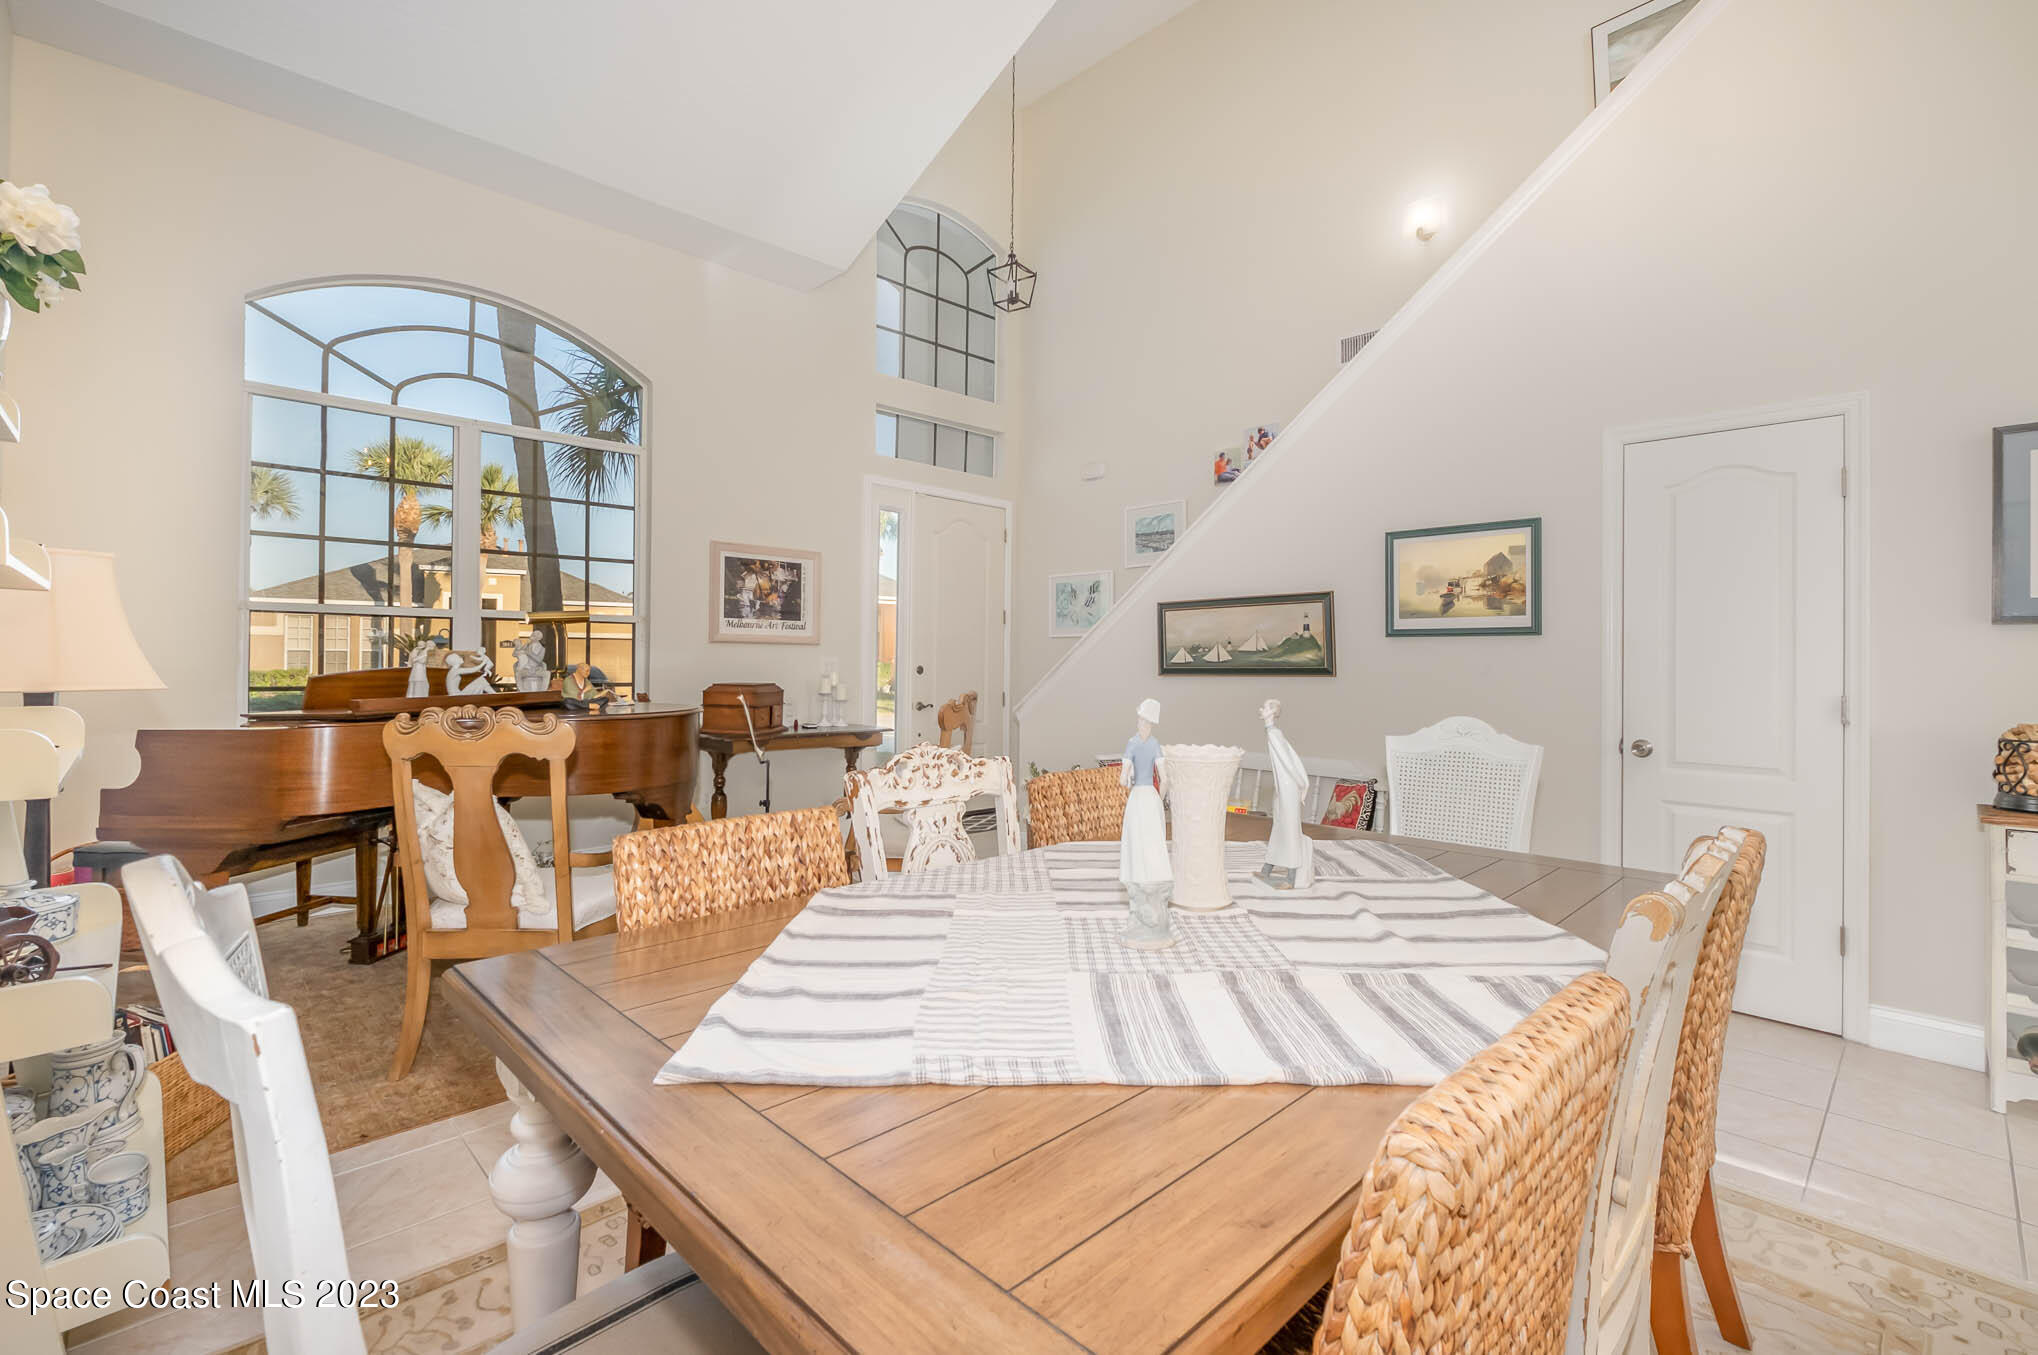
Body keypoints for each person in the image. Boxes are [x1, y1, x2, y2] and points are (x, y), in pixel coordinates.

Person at [1118, 698, 1175, 947]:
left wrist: (1129, 777)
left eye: (1143, 720)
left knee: (1139, 843)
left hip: (1140, 798)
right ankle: (1147, 895)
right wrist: (1158, 800)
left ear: (1148, 722)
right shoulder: (1154, 745)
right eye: (1141, 720)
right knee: (1151, 844)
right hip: (1149, 797)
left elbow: (1122, 779)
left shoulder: (1133, 743)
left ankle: (1143, 893)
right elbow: (1165, 779)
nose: (1141, 723)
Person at [1257, 697, 1315, 890]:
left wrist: (1301, 783)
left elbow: (1288, 762)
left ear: (1272, 712)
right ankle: (1267, 868)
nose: (1261, 709)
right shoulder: (1272, 732)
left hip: (1288, 787)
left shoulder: (1274, 734)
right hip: (1283, 787)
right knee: (1280, 826)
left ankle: (1290, 877)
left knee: (1289, 829)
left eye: (1264, 707)